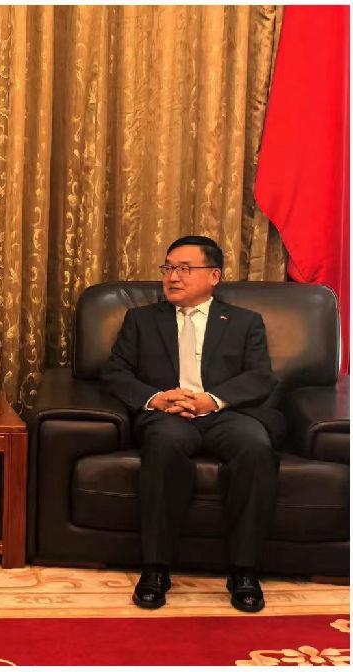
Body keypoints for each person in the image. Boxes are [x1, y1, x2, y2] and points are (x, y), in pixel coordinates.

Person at [100, 235, 283, 613]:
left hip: (225, 414)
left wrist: (211, 400)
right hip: (167, 414)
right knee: (164, 446)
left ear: (214, 276)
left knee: (255, 446)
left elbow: (260, 377)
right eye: (168, 268)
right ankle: (155, 568)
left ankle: (244, 571)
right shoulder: (141, 320)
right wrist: (156, 398)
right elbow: (115, 374)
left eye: (185, 269)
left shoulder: (245, 322)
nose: (173, 277)